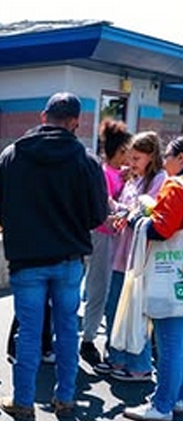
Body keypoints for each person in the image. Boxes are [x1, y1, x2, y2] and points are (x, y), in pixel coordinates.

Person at [0, 92, 107, 421]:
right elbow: (98, 214)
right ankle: (65, 398)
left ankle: (23, 401)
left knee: (28, 330)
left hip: (27, 259)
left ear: (44, 116)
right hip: (69, 257)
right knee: (67, 328)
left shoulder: (12, 155)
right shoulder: (86, 161)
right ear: (75, 122)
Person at [96, 131, 166, 382]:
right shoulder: (134, 179)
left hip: (140, 260)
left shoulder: (159, 179)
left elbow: (149, 214)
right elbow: (128, 209)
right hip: (122, 254)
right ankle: (117, 358)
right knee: (115, 307)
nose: (131, 163)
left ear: (151, 156)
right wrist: (116, 212)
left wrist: (125, 214)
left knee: (136, 314)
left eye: (136, 158)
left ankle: (140, 365)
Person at [123, 136, 183, 421]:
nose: (166, 161)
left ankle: (161, 405)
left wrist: (139, 217)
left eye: (169, 156)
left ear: (180, 159)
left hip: (170, 278)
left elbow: (161, 230)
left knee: (170, 342)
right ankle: (176, 396)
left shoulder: (176, 186)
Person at [80, 119, 132, 366]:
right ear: (115, 151)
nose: (128, 157)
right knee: (99, 289)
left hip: (116, 238)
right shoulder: (103, 174)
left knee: (108, 290)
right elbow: (108, 203)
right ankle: (88, 340)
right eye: (125, 152)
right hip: (103, 235)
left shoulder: (120, 173)